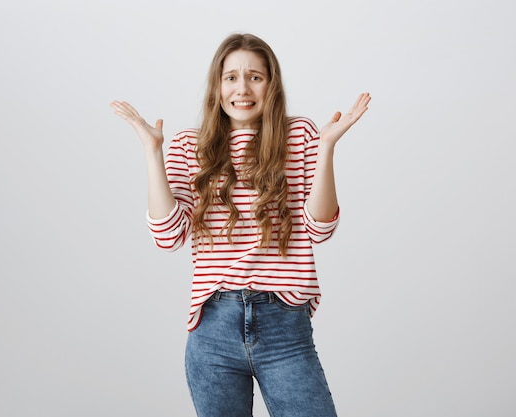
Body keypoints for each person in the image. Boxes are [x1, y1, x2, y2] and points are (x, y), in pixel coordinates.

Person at [111, 32, 370, 417]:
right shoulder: (188, 145)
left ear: (272, 85)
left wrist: (327, 147)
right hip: (213, 329)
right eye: (230, 77)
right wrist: (153, 152)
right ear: (217, 87)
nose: (242, 88)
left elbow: (320, 229)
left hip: (284, 326)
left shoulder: (300, 136)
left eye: (255, 77)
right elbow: (168, 236)